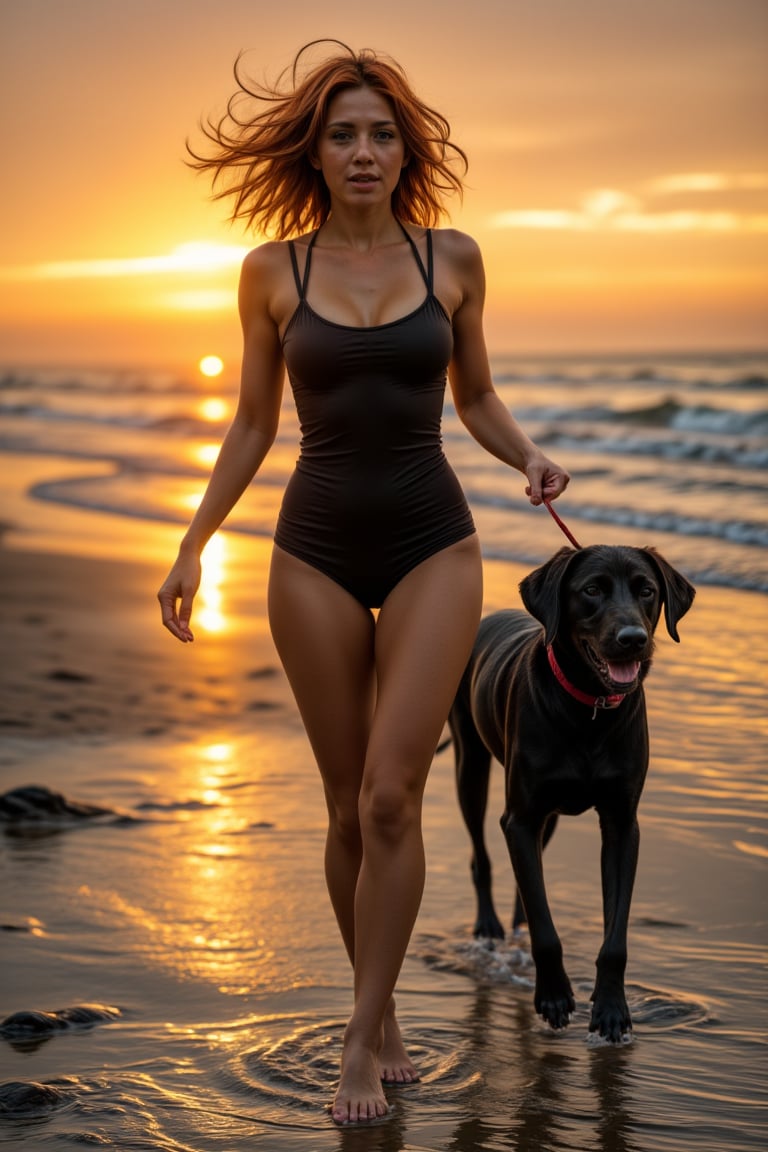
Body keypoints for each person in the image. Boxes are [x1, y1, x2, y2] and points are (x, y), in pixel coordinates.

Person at [158, 40, 570, 1126]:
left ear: (406, 149)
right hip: (312, 554)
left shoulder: (456, 257)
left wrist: (525, 453)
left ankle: (355, 1040)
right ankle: (379, 1016)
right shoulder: (271, 273)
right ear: (316, 148)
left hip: (436, 541)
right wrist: (195, 541)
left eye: (382, 134)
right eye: (343, 133)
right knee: (346, 805)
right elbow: (251, 423)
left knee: (396, 793)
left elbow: (475, 397)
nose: (363, 151)